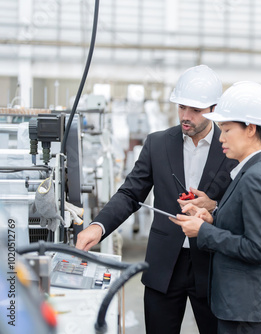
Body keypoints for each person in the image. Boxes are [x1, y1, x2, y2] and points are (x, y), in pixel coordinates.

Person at [75, 65, 237, 334]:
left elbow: (238, 204)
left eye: (195, 110)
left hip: (213, 266)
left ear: (214, 108)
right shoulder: (158, 144)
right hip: (165, 266)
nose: (185, 116)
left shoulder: (231, 147)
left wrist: (215, 207)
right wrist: (98, 226)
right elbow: (130, 194)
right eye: (181, 107)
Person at [171, 81, 261, 334]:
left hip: (244, 309)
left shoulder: (256, 177)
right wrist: (212, 219)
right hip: (239, 306)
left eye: (226, 130)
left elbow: (259, 249)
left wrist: (203, 231)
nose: (221, 138)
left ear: (250, 129)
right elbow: (245, 227)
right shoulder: (250, 171)